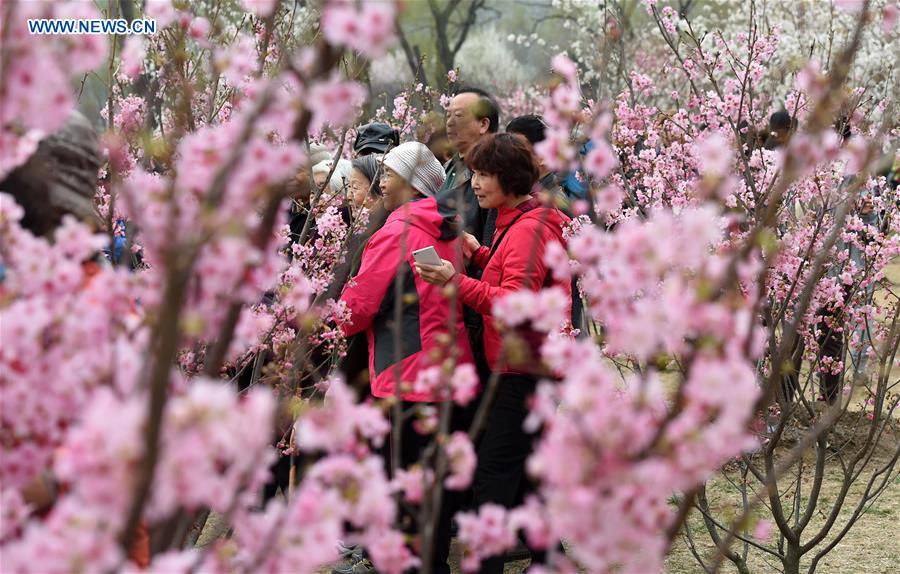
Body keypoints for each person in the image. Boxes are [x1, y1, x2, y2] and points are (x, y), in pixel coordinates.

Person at [416, 133, 571, 573]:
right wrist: (481, 253)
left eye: (485, 174)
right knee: (526, 475)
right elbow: (515, 275)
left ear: (510, 177)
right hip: (527, 365)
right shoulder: (517, 220)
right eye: (475, 174)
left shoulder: (526, 228)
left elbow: (515, 303)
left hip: (522, 369)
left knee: (492, 477)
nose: (476, 184)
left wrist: (454, 281)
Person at [338, 142, 474, 574]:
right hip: (448, 369)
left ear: (414, 185)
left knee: (404, 486)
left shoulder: (398, 231)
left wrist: (321, 320)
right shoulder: (445, 228)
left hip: (406, 372)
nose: (382, 182)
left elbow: (358, 306)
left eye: (390, 175)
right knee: (434, 486)